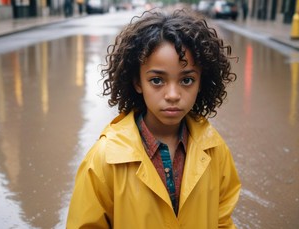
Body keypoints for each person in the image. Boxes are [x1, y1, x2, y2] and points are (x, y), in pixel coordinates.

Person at [67, 9, 241, 228]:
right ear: (138, 82)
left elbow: (222, 220)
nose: (172, 95)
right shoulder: (104, 161)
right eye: (157, 80)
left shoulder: (216, 150)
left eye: (186, 80)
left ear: (201, 83)